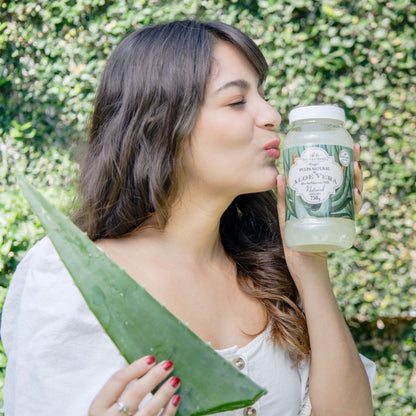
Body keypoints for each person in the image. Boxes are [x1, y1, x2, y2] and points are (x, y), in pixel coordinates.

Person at [1, 20, 375, 416]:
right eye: (236, 101)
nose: (272, 115)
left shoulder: (271, 274)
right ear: (162, 125)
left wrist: (309, 261)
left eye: (262, 95)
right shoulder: (69, 276)